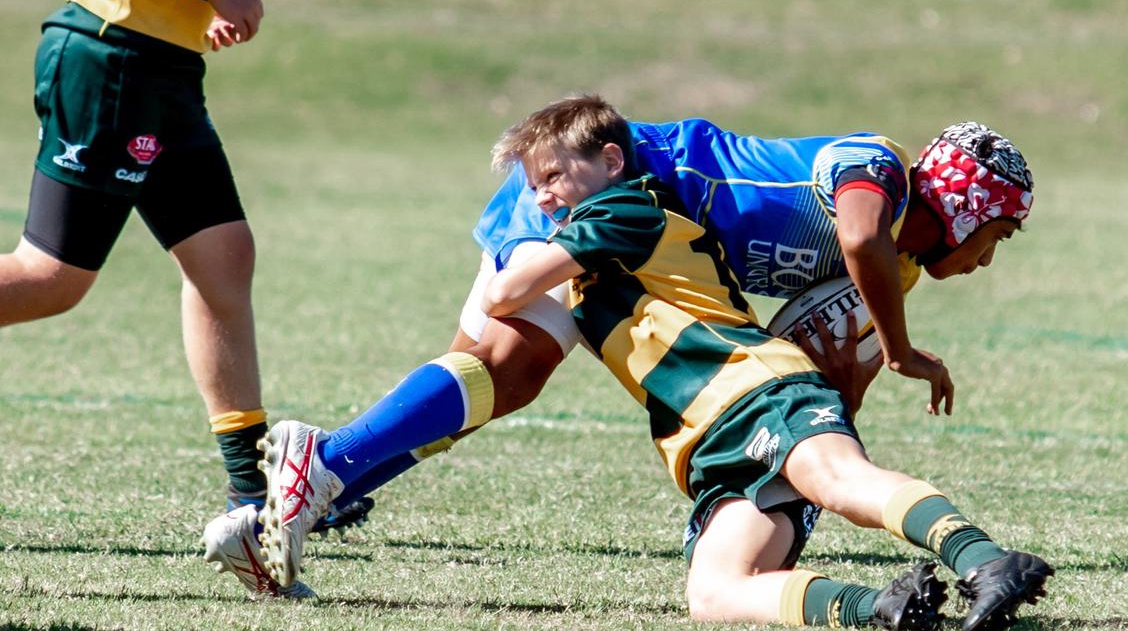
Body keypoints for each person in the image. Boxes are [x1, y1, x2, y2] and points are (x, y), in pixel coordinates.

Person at [257, 97, 1052, 630]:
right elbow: (860, 237)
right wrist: (905, 348)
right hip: (592, 184)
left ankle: (315, 486)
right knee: (509, 363)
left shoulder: (890, 279)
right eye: (998, 235)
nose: (989, 259)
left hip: (656, 269)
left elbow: (829, 378)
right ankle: (323, 471)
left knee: (513, 377)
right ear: (967, 203)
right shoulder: (876, 169)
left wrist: (777, 495)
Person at [0, 0, 307, 599]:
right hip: (114, 60)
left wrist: (195, 8)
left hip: (161, 65)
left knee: (223, 256)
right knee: (49, 278)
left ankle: (250, 496)